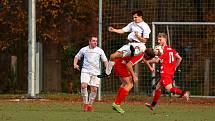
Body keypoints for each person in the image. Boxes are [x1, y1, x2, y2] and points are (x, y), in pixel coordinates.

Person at [145, 33, 190, 111]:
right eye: (158, 39)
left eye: (160, 39)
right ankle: (152, 105)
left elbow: (156, 60)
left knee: (169, 88)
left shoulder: (161, 50)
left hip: (165, 72)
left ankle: (184, 93)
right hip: (169, 72)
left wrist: (147, 61)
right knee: (158, 87)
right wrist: (175, 67)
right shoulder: (171, 49)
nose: (158, 41)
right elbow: (179, 58)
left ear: (165, 39)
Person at [100, 10, 151, 77]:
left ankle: (134, 52)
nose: (134, 19)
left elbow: (144, 41)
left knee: (136, 50)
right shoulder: (132, 24)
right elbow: (123, 30)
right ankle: (107, 73)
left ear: (140, 16)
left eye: (135, 17)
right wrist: (114, 30)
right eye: (133, 17)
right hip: (130, 44)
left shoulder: (145, 26)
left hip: (140, 45)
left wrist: (138, 36)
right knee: (112, 56)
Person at [111, 48, 157, 114]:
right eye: (150, 58)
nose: (149, 59)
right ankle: (117, 104)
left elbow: (143, 59)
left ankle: (116, 103)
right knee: (130, 84)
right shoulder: (140, 56)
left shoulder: (142, 51)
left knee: (124, 84)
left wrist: (150, 67)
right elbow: (129, 65)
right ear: (148, 56)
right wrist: (134, 75)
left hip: (120, 63)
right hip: (122, 66)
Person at [73, 36, 108, 112]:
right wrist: (75, 64)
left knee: (94, 89)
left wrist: (107, 69)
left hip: (96, 72)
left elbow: (105, 60)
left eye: (96, 41)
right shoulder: (84, 49)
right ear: (89, 42)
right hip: (85, 71)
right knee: (83, 85)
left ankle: (90, 105)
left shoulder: (100, 50)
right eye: (93, 41)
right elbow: (77, 57)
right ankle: (85, 103)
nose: (95, 42)